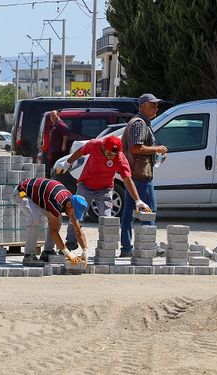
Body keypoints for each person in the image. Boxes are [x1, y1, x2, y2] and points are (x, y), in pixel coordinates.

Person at [54, 136, 152, 255]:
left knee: (106, 218)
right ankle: (70, 242)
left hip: (105, 189)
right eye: (109, 154)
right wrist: (67, 163)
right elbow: (80, 152)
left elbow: (127, 179)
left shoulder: (120, 159)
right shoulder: (95, 145)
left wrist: (138, 200)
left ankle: (106, 247)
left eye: (114, 155)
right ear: (103, 147)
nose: (111, 157)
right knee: (76, 215)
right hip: (86, 185)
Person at [119, 93, 168, 257]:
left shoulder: (142, 123)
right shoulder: (139, 124)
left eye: (156, 104)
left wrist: (157, 155)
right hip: (140, 174)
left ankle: (127, 248)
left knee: (128, 213)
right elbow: (136, 148)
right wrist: (158, 149)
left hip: (135, 173)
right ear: (142, 106)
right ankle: (148, 247)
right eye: (152, 105)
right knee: (149, 210)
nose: (156, 108)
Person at [11, 177, 88, 267]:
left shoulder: (71, 201)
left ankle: (47, 252)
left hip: (40, 197)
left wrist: (85, 249)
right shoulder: (57, 201)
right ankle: (29, 255)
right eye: (74, 213)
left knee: (57, 219)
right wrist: (67, 252)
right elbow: (53, 232)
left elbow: (78, 230)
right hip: (22, 193)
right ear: (69, 205)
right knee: (34, 218)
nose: (74, 216)